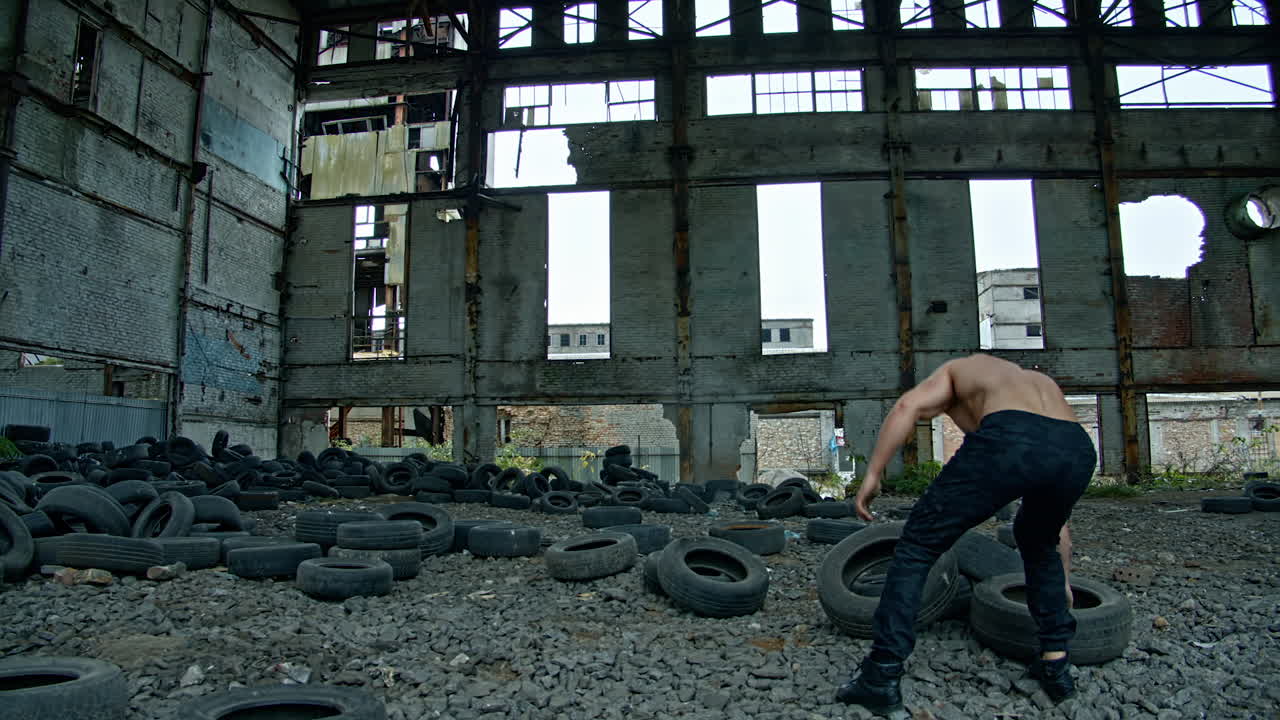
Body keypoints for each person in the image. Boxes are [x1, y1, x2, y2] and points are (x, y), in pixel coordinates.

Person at [836, 354, 1096, 715]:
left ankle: (880, 675)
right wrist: (1062, 582)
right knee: (1038, 540)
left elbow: (907, 405)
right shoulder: (1035, 385)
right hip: (1077, 447)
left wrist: (873, 474)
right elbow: (1055, 532)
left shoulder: (958, 370)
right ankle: (1056, 665)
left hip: (1011, 438)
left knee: (916, 546)